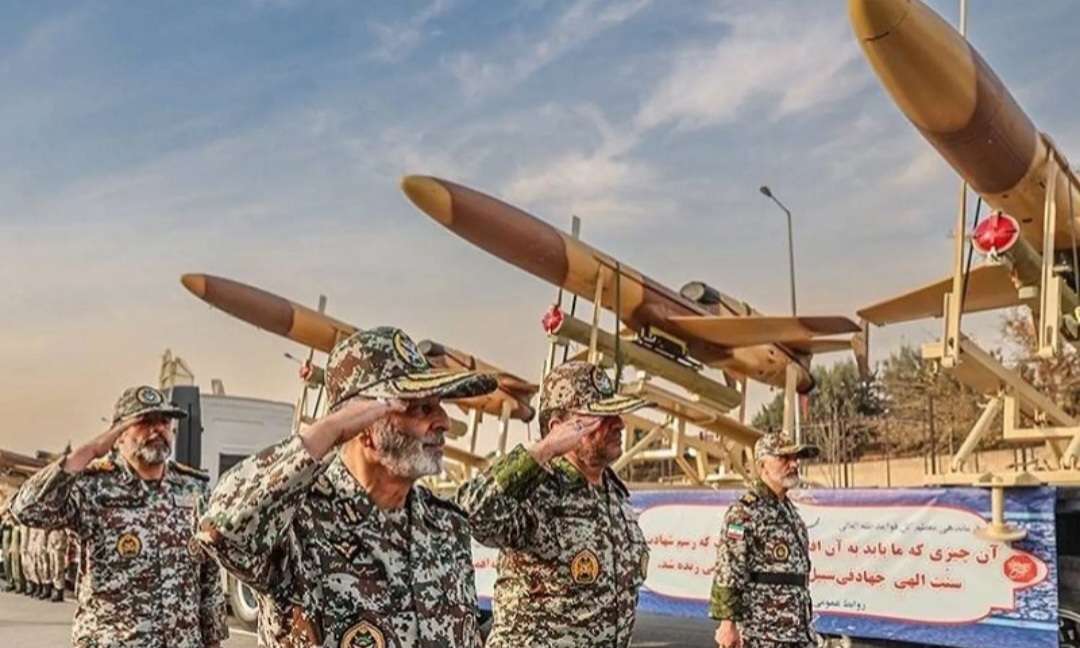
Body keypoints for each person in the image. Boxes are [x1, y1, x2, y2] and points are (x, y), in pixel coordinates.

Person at [195, 326, 499, 648]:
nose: (444, 422)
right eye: (422, 408)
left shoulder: (447, 525)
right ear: (364, 425)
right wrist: (331, 430)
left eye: (439, 406)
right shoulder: (298, 521)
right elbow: (219, 530)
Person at [8, 384, 230, 648]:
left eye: (164, 422)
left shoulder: (193, 488)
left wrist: (213, 642)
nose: (157, 429)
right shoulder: (92, 487)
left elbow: (208, 575)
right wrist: (92, 450)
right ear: (119, 434)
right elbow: (26, 510)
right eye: (144, 421)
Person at [455, 359, 654, 648]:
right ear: (558, 428)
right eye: (599, 417)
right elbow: (470, 515)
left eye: (615, 413)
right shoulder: (535, 491)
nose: (619, 423)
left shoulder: (615, 495)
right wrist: (544, 449)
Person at [710, 431, 820, 648]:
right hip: (763, 633)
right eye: (784, 458)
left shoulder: (789, 512)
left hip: (796, 632)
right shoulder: (745, 512)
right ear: (762, 466)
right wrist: (727, 624)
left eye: (795, 458)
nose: (794, 464)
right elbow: (729, 566)